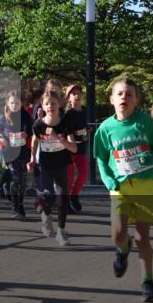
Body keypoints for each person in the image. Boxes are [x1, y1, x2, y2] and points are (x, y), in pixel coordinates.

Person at [94, 76, 153, 302]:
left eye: (129, 94)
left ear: (136, 100)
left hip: (144, 184)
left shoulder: (144, 122)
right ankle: (122, 249)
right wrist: (109, 181)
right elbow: (101, 157)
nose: (124, 98)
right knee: (118, 234)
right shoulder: (106, 128)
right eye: (120, 94)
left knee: (142, 237)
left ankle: (148, 281)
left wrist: (150, 156)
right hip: (120, 187)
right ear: (112, 100)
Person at [30, 90, 79, 246]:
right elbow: (34, 141)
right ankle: (45, 215)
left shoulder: (65, 124)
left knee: (63, 199)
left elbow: (74, 148)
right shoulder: (38, 125)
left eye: (53, 103)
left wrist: (58, 138)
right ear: (42, 106)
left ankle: (61, 231)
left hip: (62, 164)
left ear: (59, 105)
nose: (50, 106)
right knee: (49, 196)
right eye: (47, 103)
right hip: (46, 165)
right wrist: (32, 158)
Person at [0, 91, 32, 220]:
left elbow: (30, 130)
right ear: (7, 103)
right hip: (9, 153)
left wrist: (25, 134)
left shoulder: (25, 115)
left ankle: (20, 204)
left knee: (23, 182)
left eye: (17, 103)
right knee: (16, 178)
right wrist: (2, 138)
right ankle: (15, 206)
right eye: (12, 102)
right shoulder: (3, 117)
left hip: (22, 152)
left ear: (21, 103)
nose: (14, 105)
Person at [64, 84, 90, 213]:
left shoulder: (85, 110)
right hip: (69, 150)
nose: (77, 95)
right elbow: (66, 130)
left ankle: (74, 196)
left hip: (81, 148)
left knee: (84, 174)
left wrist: (87, 131)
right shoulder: (68, 114)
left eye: (79, 93)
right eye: (73, 93)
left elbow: (86, 126)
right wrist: (72, 137)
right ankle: (66, 202)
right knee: (68, 178)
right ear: (69, 98)